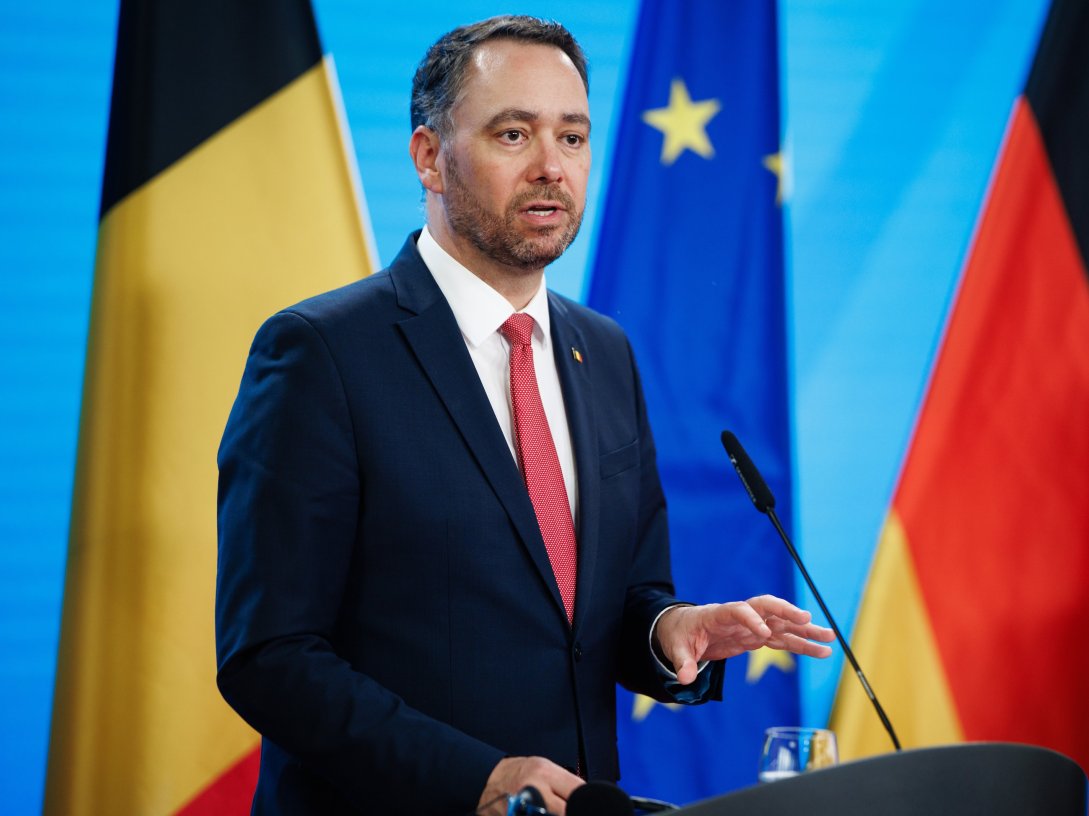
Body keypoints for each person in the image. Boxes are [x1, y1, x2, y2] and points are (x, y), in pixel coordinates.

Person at [215, 15, 834, 816]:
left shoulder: (602, 351)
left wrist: (669, 631)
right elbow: (269, 656)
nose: (551, 167)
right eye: (514, 134)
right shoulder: (320, 354)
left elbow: (611, 601)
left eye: (572, 138)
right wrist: (476, 779)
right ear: (429, 157)